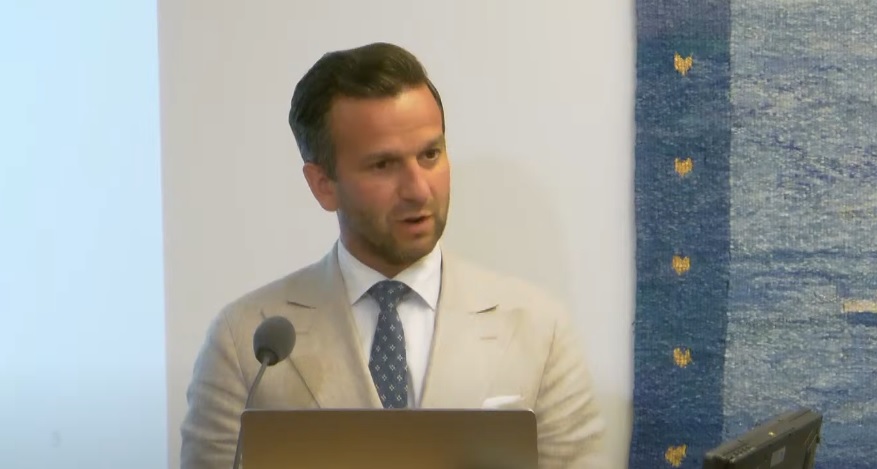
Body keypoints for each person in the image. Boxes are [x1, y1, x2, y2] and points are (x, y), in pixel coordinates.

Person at [180, 42, 606, 468]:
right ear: (323, 184)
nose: (418, 190)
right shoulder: (246, 342)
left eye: (430, 155)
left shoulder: (538, 328)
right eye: (383, 165)